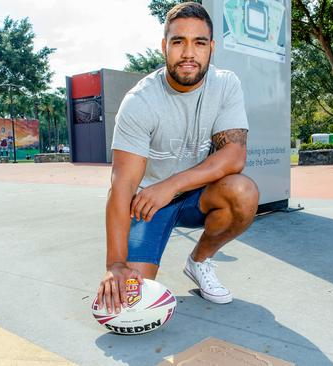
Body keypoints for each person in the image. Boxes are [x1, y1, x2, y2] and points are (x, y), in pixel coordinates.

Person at [97, 2, 259, 315]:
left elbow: (234, 155)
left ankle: (199, 261)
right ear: (164, 47)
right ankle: (130, 266)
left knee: (243, 191)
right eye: (178, 42)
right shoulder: (140, 102)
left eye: (199, 43)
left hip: (194, 196)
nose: (188, 53)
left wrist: (172, 185)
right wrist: (115, 263)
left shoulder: (226, 85)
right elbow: (122, 185)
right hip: (147, 205)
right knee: (130, 302)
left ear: (211, 47)